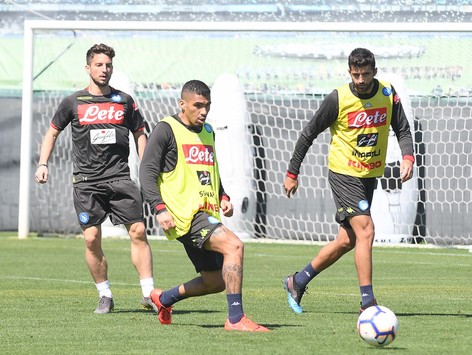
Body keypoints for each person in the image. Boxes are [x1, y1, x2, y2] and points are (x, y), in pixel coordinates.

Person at [282, 48, 415, 314]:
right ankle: (368, 303)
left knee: (348, 239)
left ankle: (297, 281)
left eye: (366, 74)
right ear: (349, 73)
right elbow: (308, 133)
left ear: (374, 72)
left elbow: (402, 128)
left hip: (368, 175)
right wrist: (292, 173)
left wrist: (408, 156)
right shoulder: (338, 98)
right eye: (356, 75)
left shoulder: (388, 93)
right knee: (366, 230)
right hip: (344, 173)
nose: (361, 80)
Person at [35, 43, 156, 314]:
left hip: (120, 177)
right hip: (87, 182)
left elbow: (140, 133)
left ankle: (149, 293)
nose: (105, 69)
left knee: (138, 231)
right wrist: (43, 163)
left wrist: (146, 167)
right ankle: (105, 295)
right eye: (99, 65)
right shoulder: (72, 102)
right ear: (88, 68)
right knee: (91, 238)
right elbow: (52, 132)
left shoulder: (125, 101)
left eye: (108, 65)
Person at [139, 80, 269, 332]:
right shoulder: (166, 129)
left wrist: (222, 195)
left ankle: (164, 299)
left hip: (205, 211)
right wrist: (159, 208)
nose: (203, 111)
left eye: (207, 106)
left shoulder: (208, 131)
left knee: (215, 282)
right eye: (197, 106)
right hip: (183, 213)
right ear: (182, 104)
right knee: (234, 245)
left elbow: (211, 168)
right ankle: (235, 319)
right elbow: (147, 171)